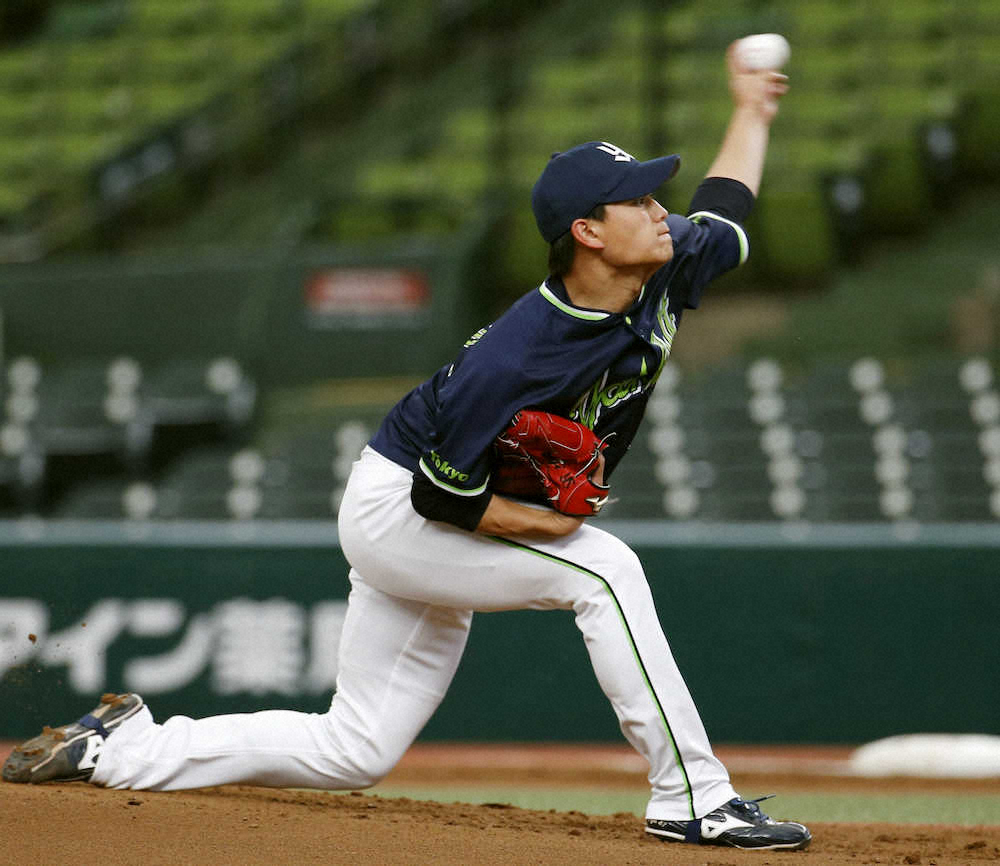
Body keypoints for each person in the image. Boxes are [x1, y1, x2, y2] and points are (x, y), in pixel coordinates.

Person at [3, 43, 809, 851]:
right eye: (637, 200)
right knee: (605, 570)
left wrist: (752, 109)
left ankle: (120, 745)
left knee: (354, 749)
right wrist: (546, 528)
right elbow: (442, 495)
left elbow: (727, 212)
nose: (659, 207)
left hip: (438, 517)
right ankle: (692, 797)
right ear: (588, 231)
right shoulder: (518, 355)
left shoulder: (661, 267)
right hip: (403, 510)